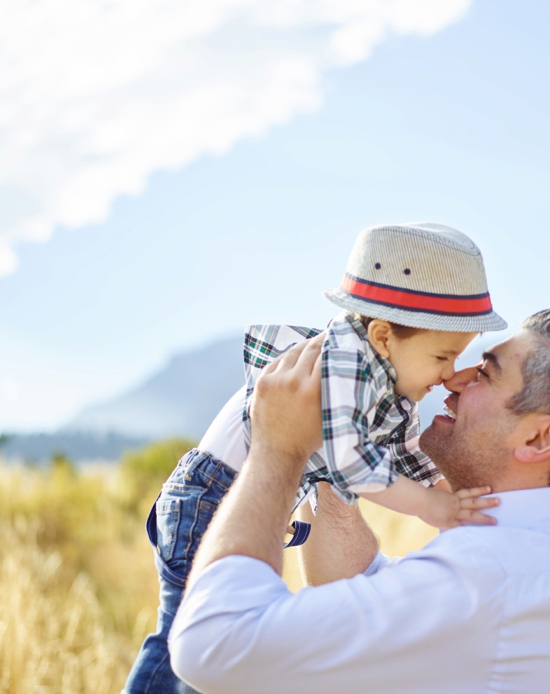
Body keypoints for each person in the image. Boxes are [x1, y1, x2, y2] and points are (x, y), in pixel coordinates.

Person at [168, 308, 550, 694]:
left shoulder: (488, 582)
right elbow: (371, 594)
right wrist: (336, 443)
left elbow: (211, 645)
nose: (454, 380)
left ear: (539, 439)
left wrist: (278, 449)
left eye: (486, 375)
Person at [124, 222, 506, 693]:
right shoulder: (341, 367)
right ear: (384, 336)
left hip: (241, 501)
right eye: (442, 358)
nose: (448, 375)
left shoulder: (388, 383)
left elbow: (407, 457)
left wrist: (460, 498)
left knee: (205, 652)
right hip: (212, 498)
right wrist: (433, 508)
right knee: (188, 643)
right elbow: (352, 462)